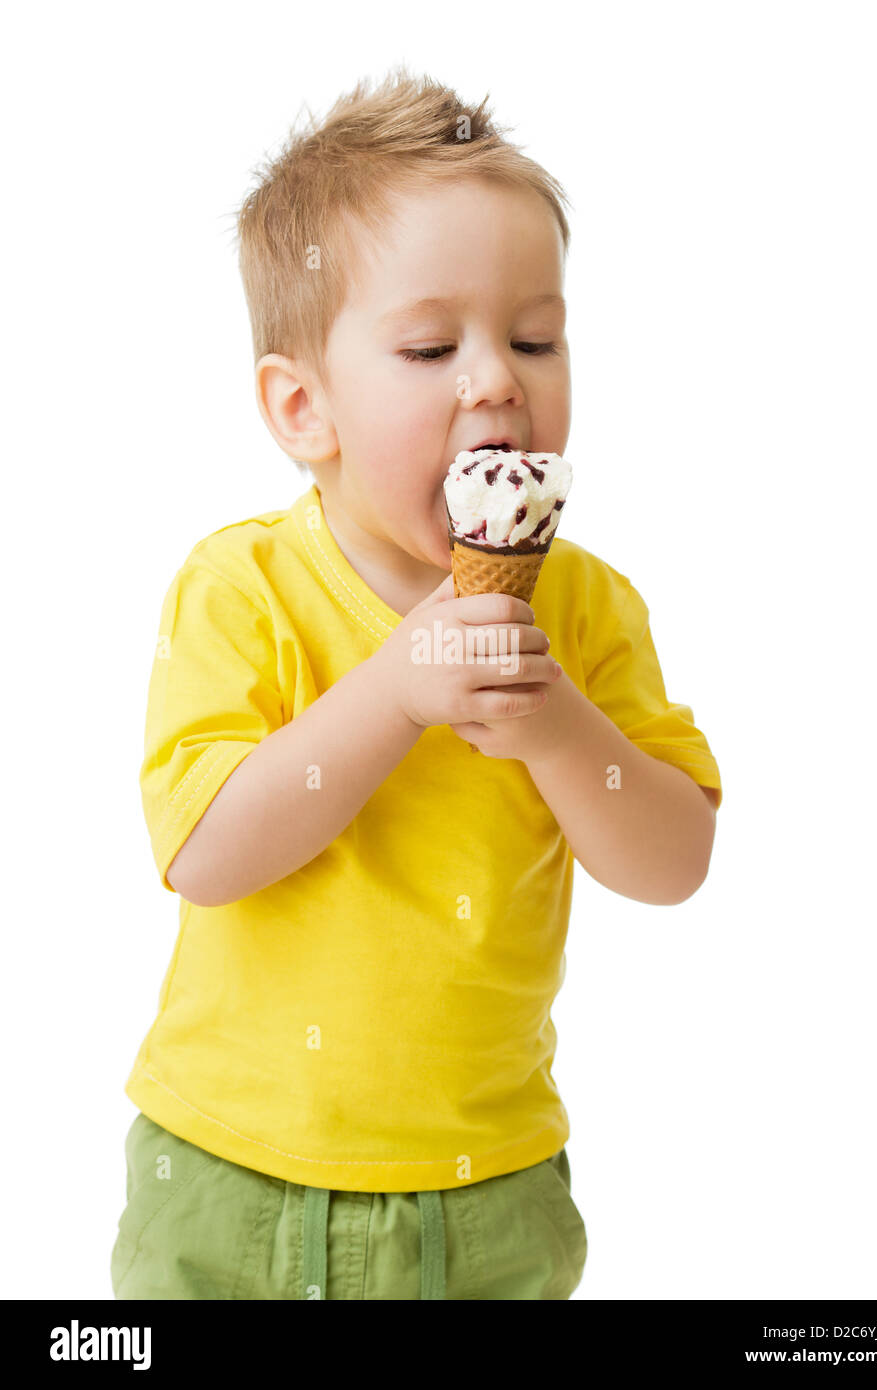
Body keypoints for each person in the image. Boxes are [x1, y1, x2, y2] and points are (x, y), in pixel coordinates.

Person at [111, 67, 722, 1300]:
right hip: (234, 1177)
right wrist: (395, 691)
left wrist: (556, 722)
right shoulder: (243, 589)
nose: (496, 379)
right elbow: (207, 851)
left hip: (490, 1189)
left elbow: (675, 861)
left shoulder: (590, 612)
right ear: (304, 407)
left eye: (535, 338)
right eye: (432, 345)